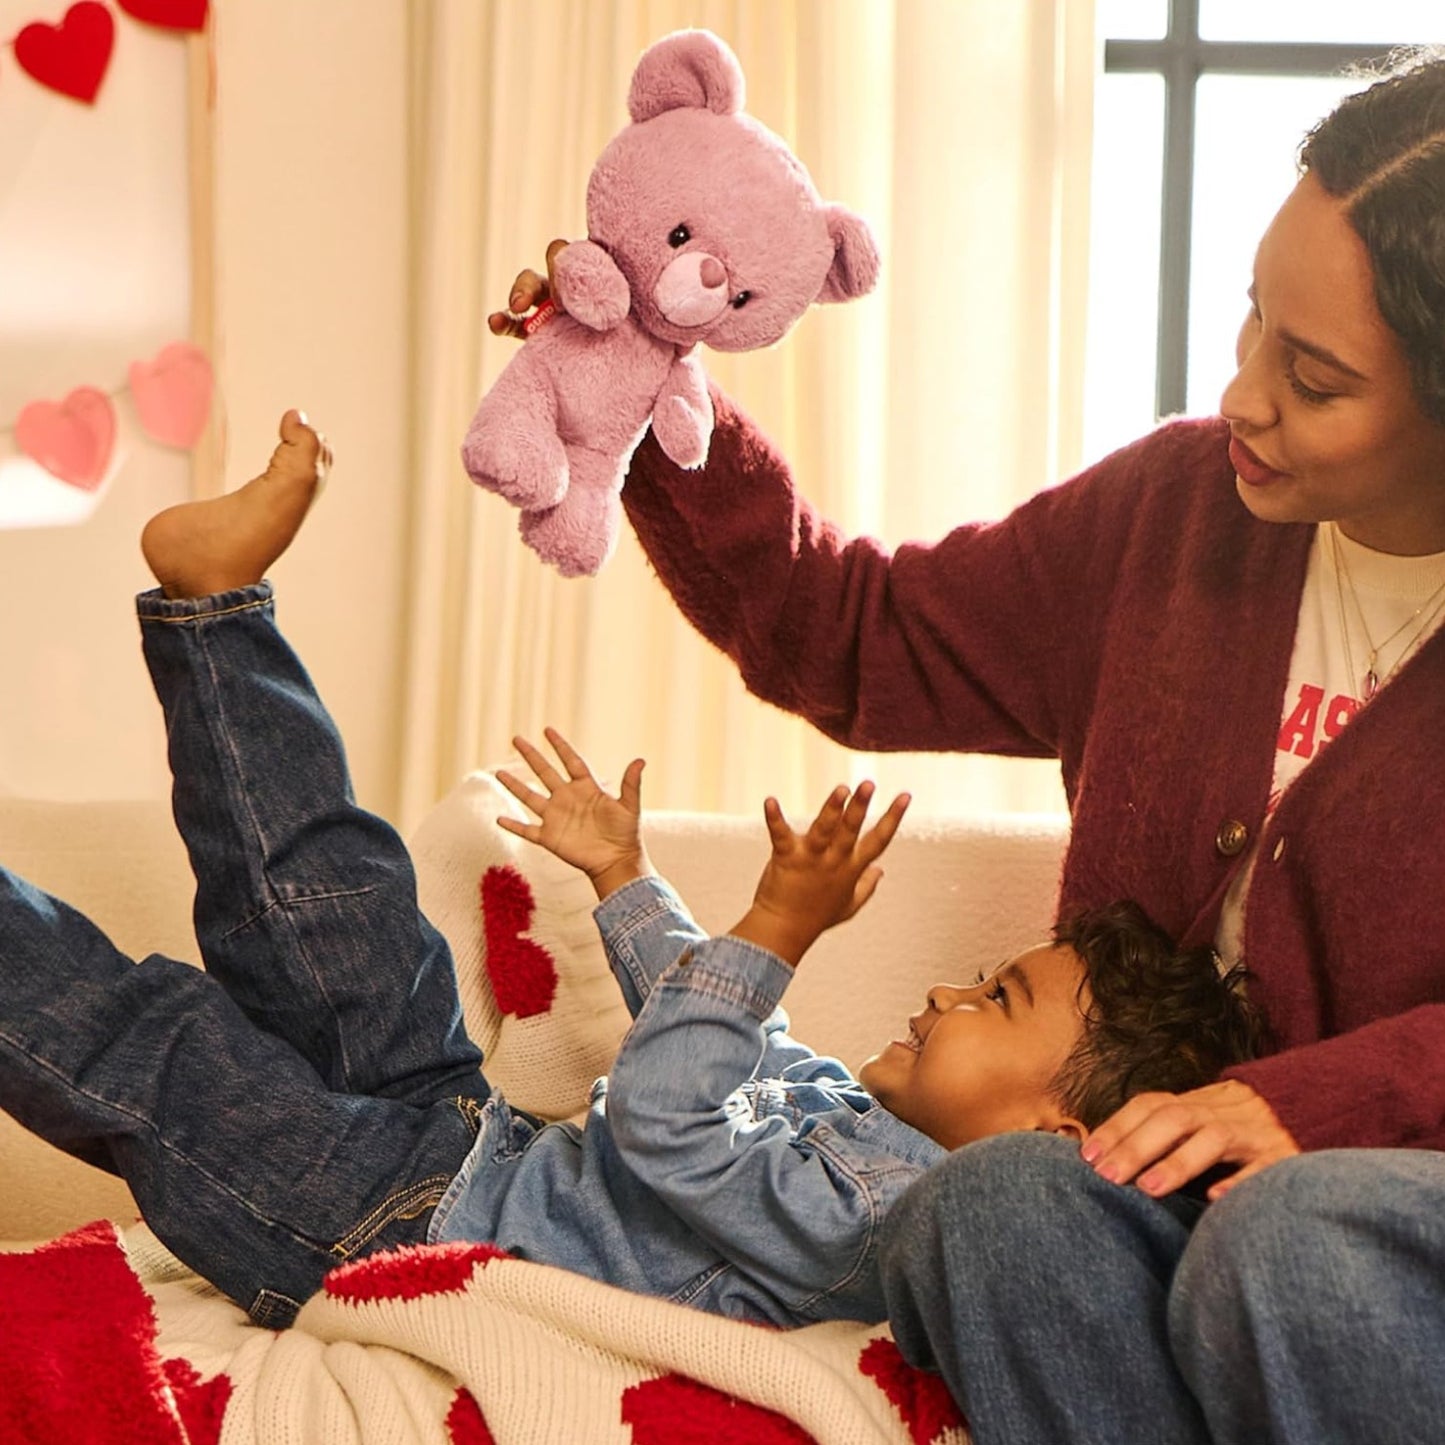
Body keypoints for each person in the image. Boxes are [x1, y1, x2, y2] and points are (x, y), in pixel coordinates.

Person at [490, 45, 1445, 1445]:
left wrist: (1302, 1103)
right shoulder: (1178, 513)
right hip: (1134, 1182)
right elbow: (858, 636)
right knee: (989, 1200)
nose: (1241, 395)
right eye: (1252, 323)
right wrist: (643, 389)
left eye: (1310, 377)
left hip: (1364, 1207)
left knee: (1285, 1238)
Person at [0, 413, 1258, 1334]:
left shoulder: (878, 1216)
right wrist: (620, 876)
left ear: (1061, 1131)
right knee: (341, 901)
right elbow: (716, 1031)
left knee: (161, 1041)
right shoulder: (860, 1124)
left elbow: (661, 1118)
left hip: (389, 1229)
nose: (945, 996)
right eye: (980, 978)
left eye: (995, 1004)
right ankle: (219, 612)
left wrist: (774, 926)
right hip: (452, 1138)